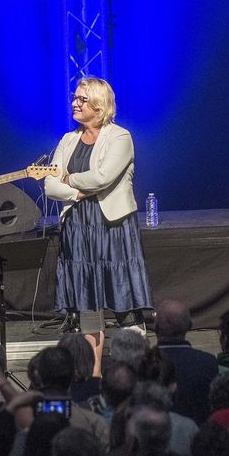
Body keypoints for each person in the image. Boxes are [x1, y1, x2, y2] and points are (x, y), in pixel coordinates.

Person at [44, 76, 152, 333]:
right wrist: (76, 194)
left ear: (99, 105)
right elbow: (49, 185)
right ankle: (91, 364)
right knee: (86, 297)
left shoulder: (119, 137)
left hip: (111, 224)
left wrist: (69, 178)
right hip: (78, 224)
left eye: (82, 99)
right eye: (74, 98)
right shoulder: (68, 139)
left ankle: (134, 352)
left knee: (120, 288)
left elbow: (102, 177)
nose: (74, 103)